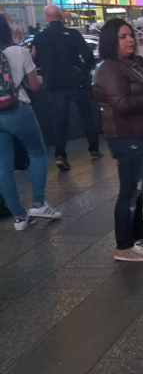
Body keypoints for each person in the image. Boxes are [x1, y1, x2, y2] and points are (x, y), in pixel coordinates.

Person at [92, 19, 143, 262]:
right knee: (130, 191)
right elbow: (123, 104)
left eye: (131, 35)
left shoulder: (127, 64)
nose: (130, 40)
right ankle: (124, 245)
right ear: (110, 41)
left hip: (140, 135)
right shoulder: (109, 68)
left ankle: (138, 234)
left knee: (138, 188)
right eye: (123, 36)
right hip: (128, 138)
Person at [0, 16, 62, 231]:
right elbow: (34, 86)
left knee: (2, 165)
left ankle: (19, 216)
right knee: (37, 152)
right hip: (18, 110)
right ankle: (38, 204)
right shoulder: (18, 52)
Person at [31, 5, 101, 170]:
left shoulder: (40, 37)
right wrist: (85, 71)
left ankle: (60, 155)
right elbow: (88, 55)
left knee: (59, 122)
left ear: (46, 18)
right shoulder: (73, 34)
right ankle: (94, 149)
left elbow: (35, 60)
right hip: (77, 83)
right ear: (61, 17)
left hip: (54, 86)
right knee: (87, 117)